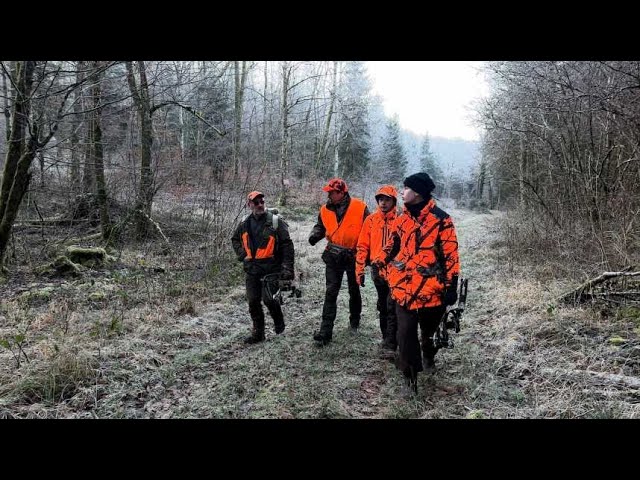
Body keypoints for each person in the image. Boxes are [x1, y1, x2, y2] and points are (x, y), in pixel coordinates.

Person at [373, 173, 460, 394]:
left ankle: (429, 353)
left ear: (418, 193)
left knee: (428, 333)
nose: (402, 192)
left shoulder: (442, 220)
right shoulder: (402, 219)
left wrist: (452, 286)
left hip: (432, 289)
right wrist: (379, 261)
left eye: (406, 188)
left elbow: (451, 256)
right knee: (405, 333)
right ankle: (409, 379)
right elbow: (393, 245)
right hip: (403, 287)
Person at [309, 178, 370, 346]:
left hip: (353, 255)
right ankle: (325, 332)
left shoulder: (360, 207)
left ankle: (354, 321)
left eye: (332, 192)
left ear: (342, 192)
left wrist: (368, 256)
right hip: (333, 255)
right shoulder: (324, 209)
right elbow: (320, 226)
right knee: (330, 292)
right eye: (328, 192)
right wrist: (315, 235)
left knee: (354, 290)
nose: (328, 195)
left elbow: (370, 230)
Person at [231, 191, 295, 344]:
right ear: (249, 205)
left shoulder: (276, 221)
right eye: (256, 202)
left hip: (271, 268)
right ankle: (258, 333)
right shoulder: (244, 222)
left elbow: (287, 245)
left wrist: (287, 268)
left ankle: (279, 321)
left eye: (262, 202)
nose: (260, 205)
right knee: (253, 301)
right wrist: (242, 254)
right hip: (252, 269)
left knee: (269, 300)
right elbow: (235, 239)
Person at [355, 185, 399, 359]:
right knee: (383, 305)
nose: (383, 203)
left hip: (397, 270)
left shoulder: (402, 220)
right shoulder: (371, 220)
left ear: (394, 201)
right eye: (380, 199)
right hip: (377, 271)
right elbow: (362, 246)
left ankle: (391, 344)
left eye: (387, 199)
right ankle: (386, 338)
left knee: (392, 305)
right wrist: (359, 270)